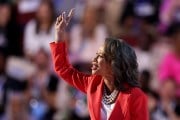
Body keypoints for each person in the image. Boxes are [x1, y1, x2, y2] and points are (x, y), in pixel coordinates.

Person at [50, 9, 149, 120]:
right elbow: (63, 69)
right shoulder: (93, 84)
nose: (94, 59)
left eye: (100, 56)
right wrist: (59, 34)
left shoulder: (136, 96)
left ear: (113, 63)